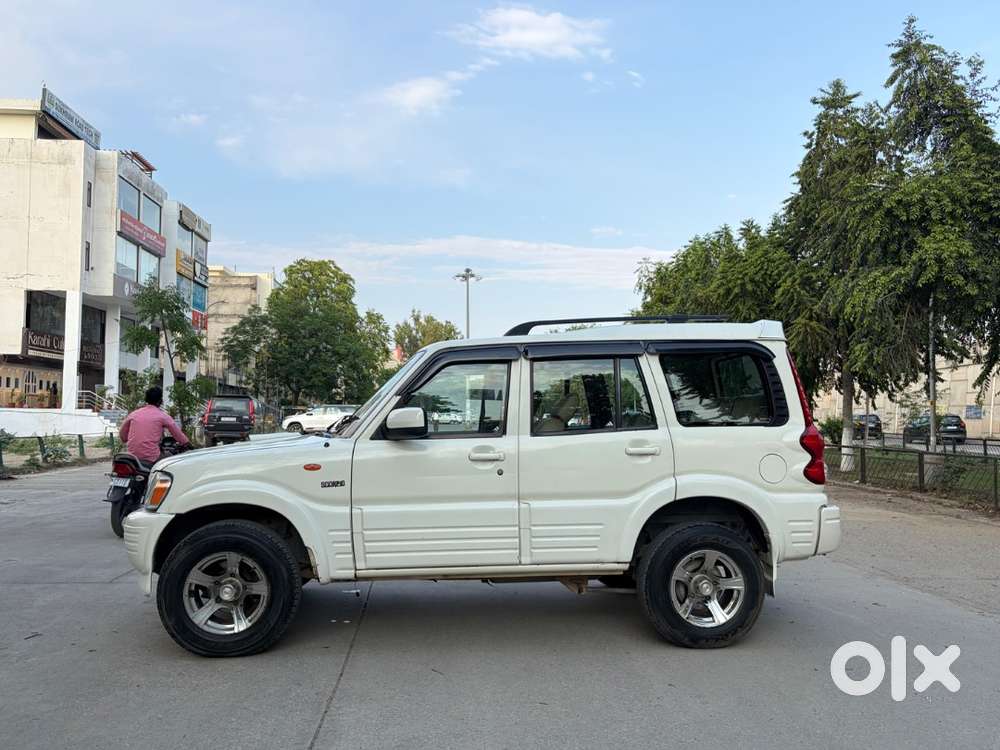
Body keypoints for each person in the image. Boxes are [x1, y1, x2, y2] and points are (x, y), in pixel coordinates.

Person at [118, 386, 190, 464]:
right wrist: (187, 443)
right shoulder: (162, 415)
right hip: (151, 457)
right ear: (160, 401)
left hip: (132, 456)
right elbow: (177, 434)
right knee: (172, 459)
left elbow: (123, 436)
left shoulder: (134, 414)